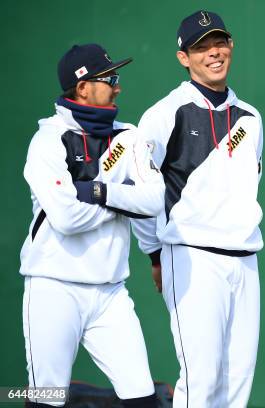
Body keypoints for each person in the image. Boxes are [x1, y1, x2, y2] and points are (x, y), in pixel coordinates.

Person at [20, 43, 164, 407]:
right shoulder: (47, 141)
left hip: (110, 292)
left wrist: (98, 192)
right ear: (82, 86)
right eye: (110, 78)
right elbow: (67, 219)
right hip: (54, 287)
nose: (118, 86)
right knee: (45, 397)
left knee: (143, 398)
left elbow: (152, 201)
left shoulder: (127, 136)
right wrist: (122, 201)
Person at [132, 10, 263, 407]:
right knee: (201, 381)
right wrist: (154, 253)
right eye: (201, 47)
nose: (213, 53)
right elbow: (141, 190)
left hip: (244, 261)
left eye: (219, 43)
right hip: (191, 257)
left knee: (237, 384)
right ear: (183, 58)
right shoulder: (164, 113)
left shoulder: (252, 118)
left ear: (231, 46)